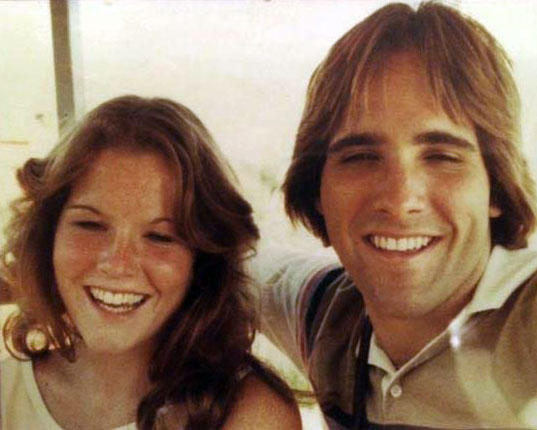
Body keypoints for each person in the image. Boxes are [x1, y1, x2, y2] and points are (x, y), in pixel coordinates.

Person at [252, 2, 537, 429]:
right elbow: (233, 264)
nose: (401, 199)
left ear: (496, 185)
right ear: (317, 193)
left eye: (441, 156)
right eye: (362, 156)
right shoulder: (327, 317)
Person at [0, 96, 301, 430]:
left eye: (160, 237)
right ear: (48, 236)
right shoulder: (6, 391)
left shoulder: (249, 415)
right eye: (91, 225)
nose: (117, 263)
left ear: (201, 261)